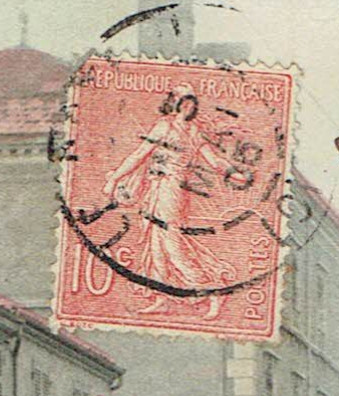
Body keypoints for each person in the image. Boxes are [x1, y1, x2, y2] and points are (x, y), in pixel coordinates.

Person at [101, 85, 241, 320]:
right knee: (155, 246)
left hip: (172, 191)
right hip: (154, 190)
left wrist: (234, 173)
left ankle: (213, 290)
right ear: (175, 103)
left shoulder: (193, 131)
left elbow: (214, 160)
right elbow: (139, 155)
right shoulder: (164, 126)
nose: (188, 106)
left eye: (192, 102)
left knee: (172, 245)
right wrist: (115, 178)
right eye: (184, 101)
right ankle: (161, 298)